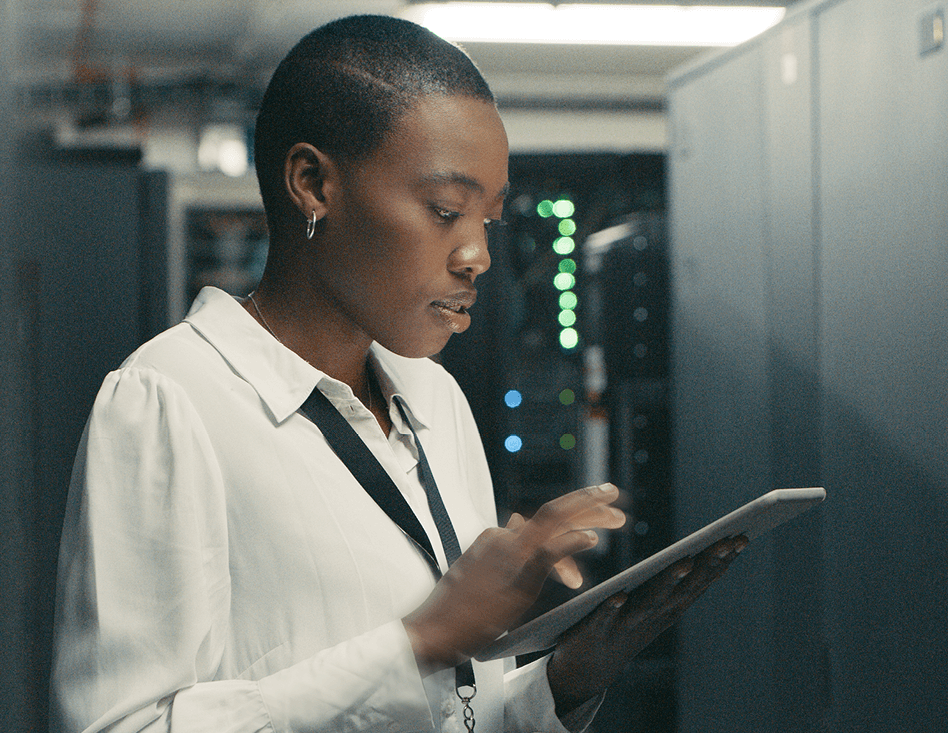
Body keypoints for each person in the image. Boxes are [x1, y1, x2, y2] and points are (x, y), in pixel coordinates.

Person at [50, 14, 746, 733]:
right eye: (446, 210)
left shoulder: (434, 397)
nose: (475, 252)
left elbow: (459, 708)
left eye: (489, 219)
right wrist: (416, 641)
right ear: (313, 183)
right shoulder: (172, 399)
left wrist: (566, 678)